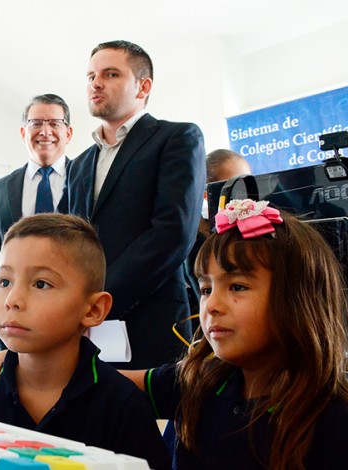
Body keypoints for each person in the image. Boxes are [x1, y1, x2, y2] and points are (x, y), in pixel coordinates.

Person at [120, 199, 348, 469]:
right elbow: (103, 383)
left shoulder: (335, 422)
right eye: (206, 289)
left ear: (299, 300)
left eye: (238, 287)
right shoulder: (199, 382)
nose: (212, 306)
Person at [0, 213, 170, 470]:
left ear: (93, 310)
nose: (12, 300)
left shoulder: (122, 405)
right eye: (5, 281)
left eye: (41, 284)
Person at [60, 40, 206, 369]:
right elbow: (72, 242)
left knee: (150, 418)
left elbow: (173, 233)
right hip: (84, 327)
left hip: (151, 318)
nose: (95, 83)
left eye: (111, 74)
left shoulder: (177, 138)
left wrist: (102, 300)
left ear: (143, 86)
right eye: (91, 76)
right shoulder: (79, 164)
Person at [0, 93, 73, 348]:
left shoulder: (86, 179)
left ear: (68, 132)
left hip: (69, 318)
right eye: (36, 123)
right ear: (23, 132)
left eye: (54, 123)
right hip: (13, 319)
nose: (45, 131)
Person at [185, 149, 252, 314]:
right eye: (233, 185)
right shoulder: (197, 242)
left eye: (248, 182)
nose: (243, 194)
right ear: (207, 193)